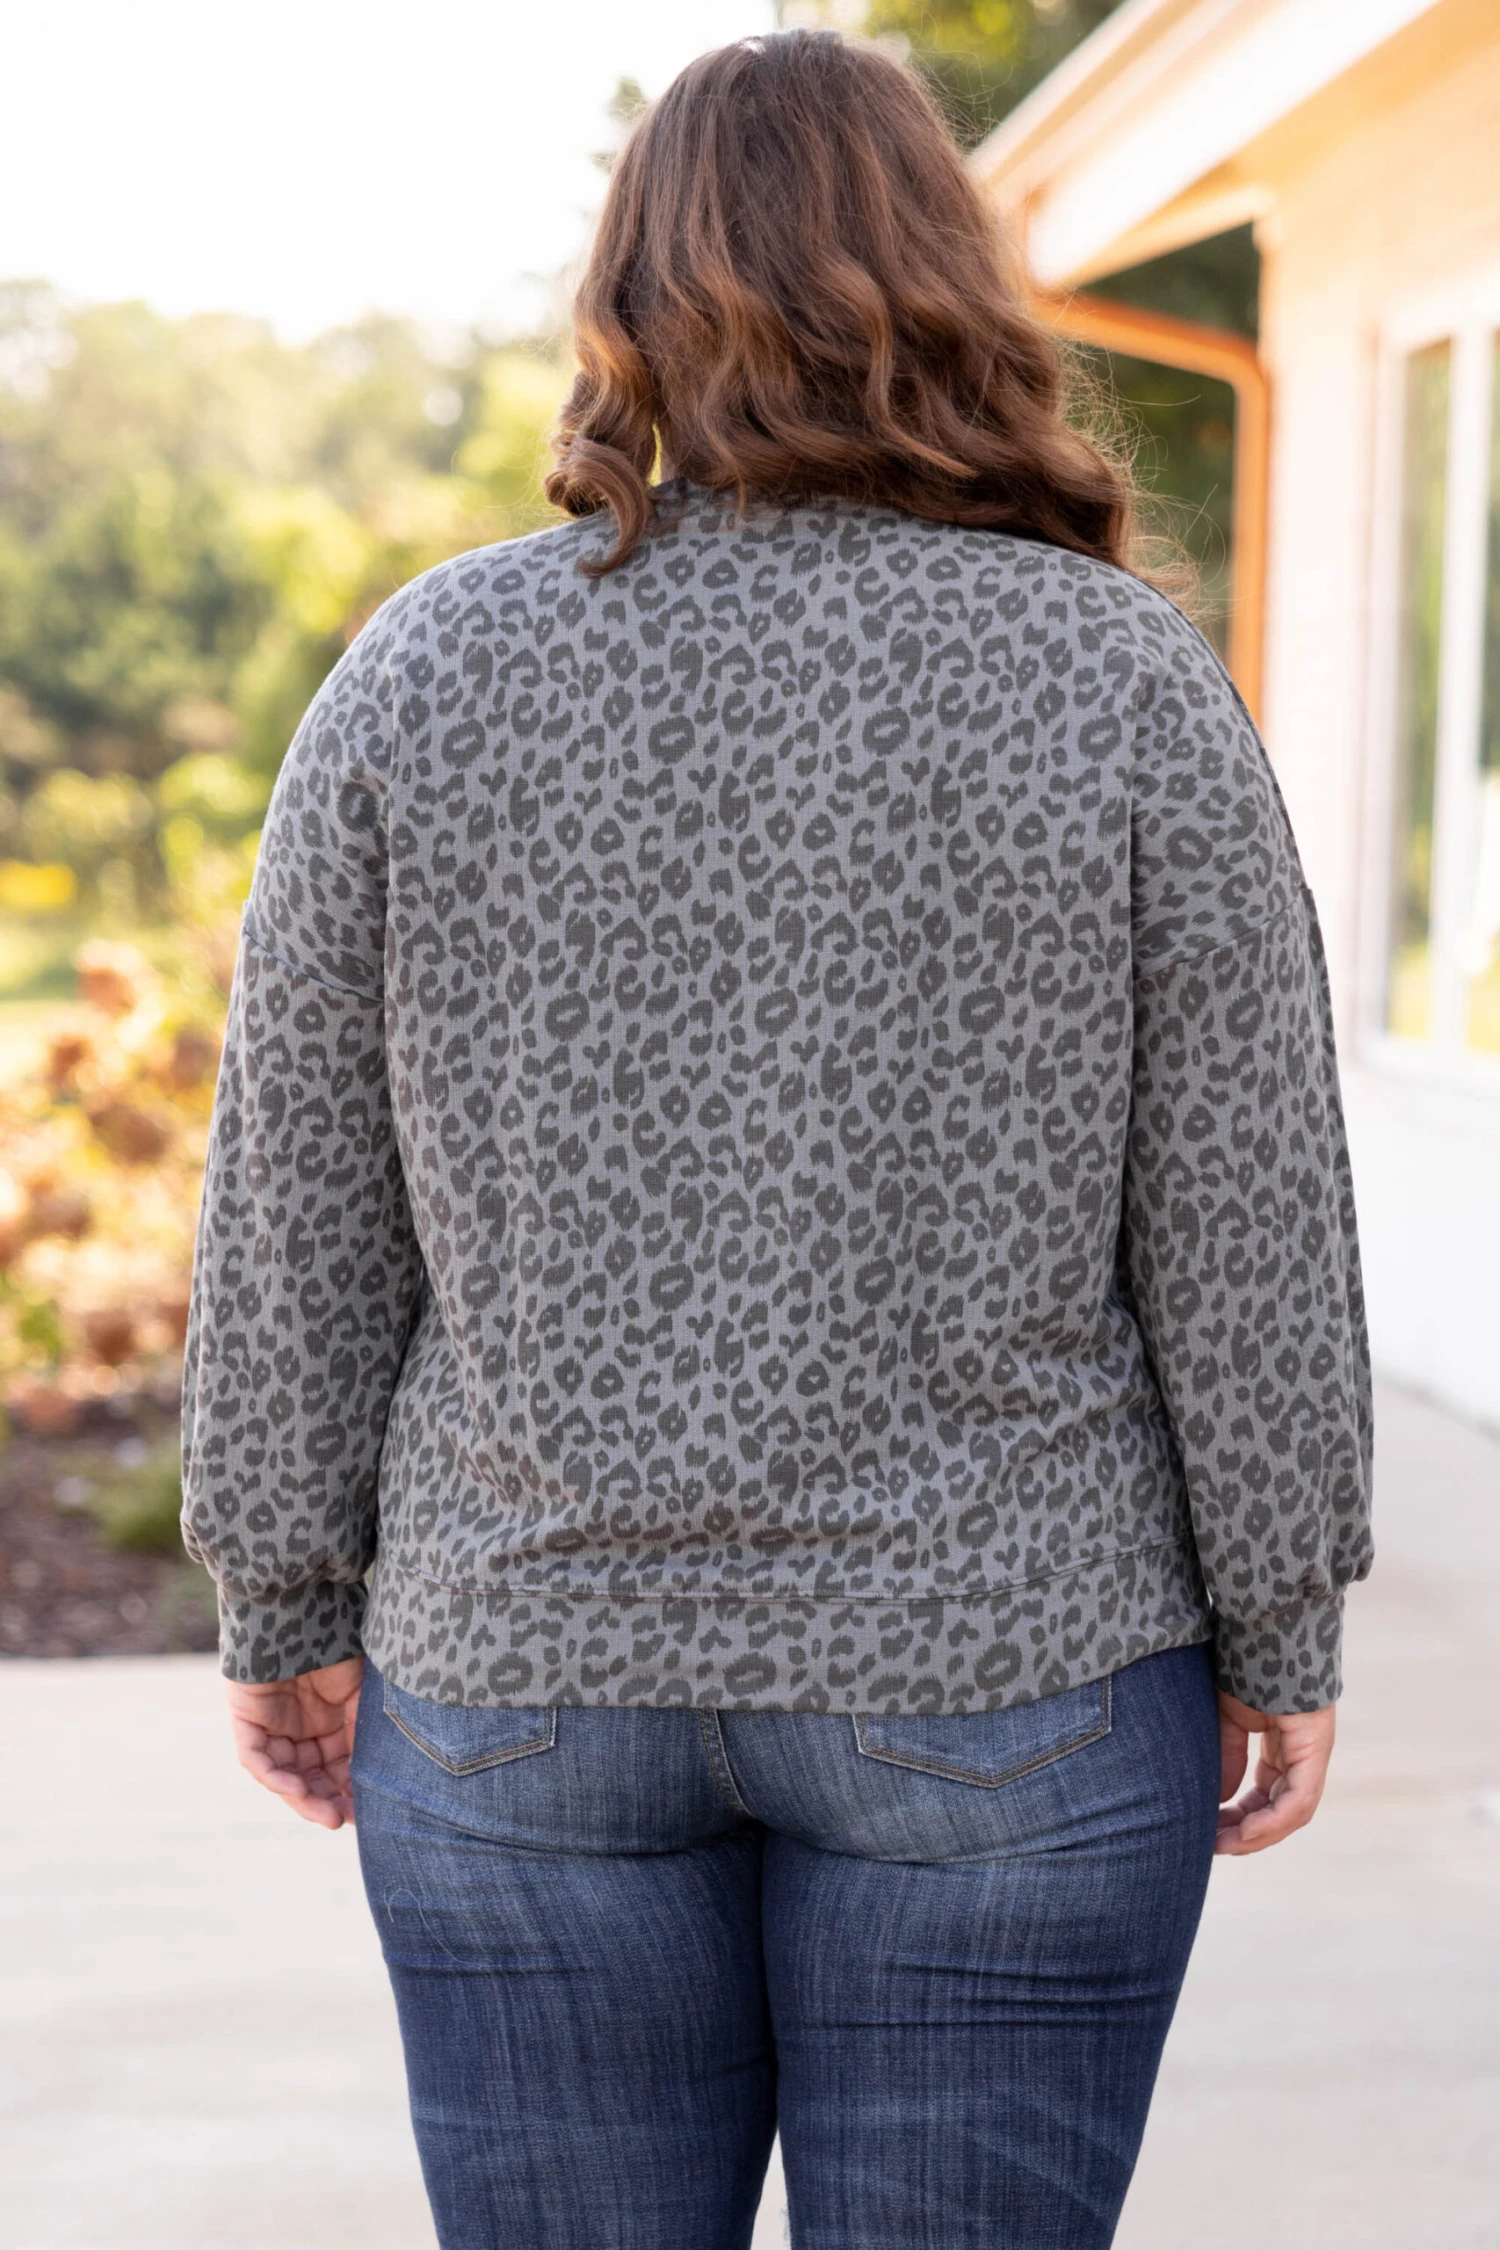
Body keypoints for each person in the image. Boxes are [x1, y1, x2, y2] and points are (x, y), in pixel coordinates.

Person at [182, 29, 1373, 2250]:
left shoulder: (422, 674)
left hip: (526, 1676)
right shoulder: (1116, 680)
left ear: (628, 295)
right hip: (1010, 1670)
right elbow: (1250, 1214)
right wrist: (1283, 1617)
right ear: (950, 279)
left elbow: (295, 1203)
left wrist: (281, 1589)